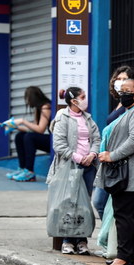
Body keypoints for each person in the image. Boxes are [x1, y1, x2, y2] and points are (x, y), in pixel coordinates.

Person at [95, 78, 134, 265]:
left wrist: (112, 155)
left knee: (123, 214)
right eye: (122, 90)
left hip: (129, 173)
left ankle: (123, 257)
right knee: (127, 214)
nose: (123, 94)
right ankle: (129, 256)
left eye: (127, 90)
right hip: (124, 172)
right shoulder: (130, 111)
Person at [49, 87, 100, 255]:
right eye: (83, 97)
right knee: (70, 204)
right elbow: (59, 144)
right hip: (70, 166)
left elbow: (97, 139)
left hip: (88, 167)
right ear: (73, 100)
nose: (86, 99)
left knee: (85, 205)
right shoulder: (62, 118)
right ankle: (67, 240)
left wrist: (92, 154)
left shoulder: (88, 118)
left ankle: (82, 240)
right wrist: (78, 157)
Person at [92, 65, 134, 220]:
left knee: (104, 202)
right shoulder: (120, 104)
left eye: (124, 79)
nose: (120, 82)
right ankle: (112, 238)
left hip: (120, 160)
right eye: (118, 79)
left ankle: (116, 238)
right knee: (101, 203)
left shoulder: (133, 105)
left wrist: (113, 155)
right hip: (108, 160)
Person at [3, 86, 51, 182]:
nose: (27, 101)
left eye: (27, 98)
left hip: (55, 141)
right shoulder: (38, 109)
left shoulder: (46, 107)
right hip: (49, 140)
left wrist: (22, 121)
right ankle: (22, 168)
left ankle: (29, 172)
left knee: (29, 137)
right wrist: (14, 126)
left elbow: (40, 129)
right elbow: (33, 128)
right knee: (20, 136)